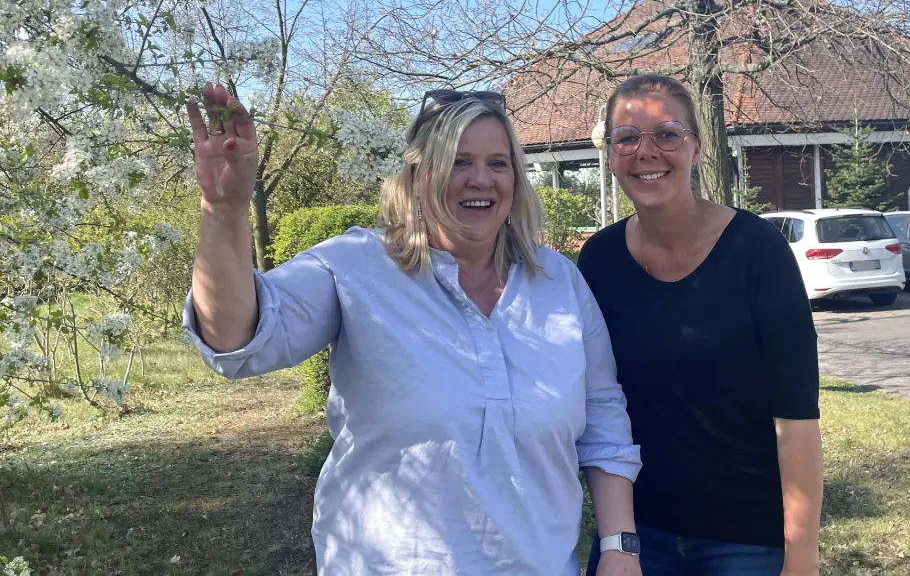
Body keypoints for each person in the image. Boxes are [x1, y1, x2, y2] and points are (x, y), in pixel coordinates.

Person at [182, 82, 643, 576]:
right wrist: (225, 209)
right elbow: (234, 338)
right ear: (419, 175)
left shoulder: (559, 283)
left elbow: (603, 420)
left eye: (498, 163)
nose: (480, 180)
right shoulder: (355, 266)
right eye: (458, 162)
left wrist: (619, 546)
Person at [578, 75, 823, 575]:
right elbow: (593, 405)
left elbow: (796, 418)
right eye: (627, 137)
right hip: (639, 536)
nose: (647, 152)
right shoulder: (598, 261)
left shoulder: (757, 252)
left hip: (747, 542)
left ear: (696, 146)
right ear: (610, 154)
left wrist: (801, 555)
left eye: (667, 133)